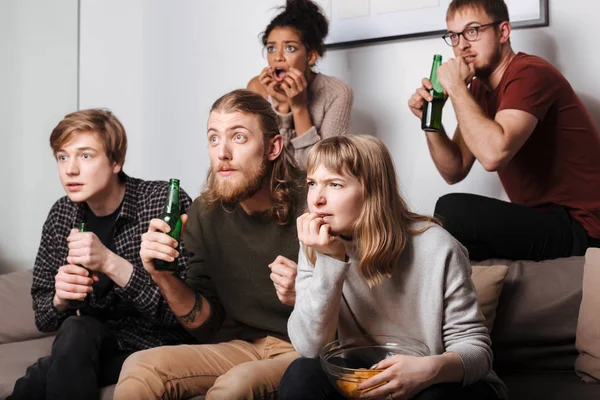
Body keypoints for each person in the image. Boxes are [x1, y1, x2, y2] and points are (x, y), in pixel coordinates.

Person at [279, 135, 508, 400]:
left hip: (439, 379)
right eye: (312, 183)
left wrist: (428, 370)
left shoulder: (437, 247)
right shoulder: (318, 242)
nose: (317, 199)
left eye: (334, 184)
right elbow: (310, 347)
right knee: (301, 375)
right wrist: (330, 260)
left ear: (373, 190)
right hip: (365, 376)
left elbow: (478, 352)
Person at [114, 90, 306, 400]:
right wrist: (162, 276)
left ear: (273, 147)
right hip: (243, 347)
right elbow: (205, 323)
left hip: (308, 349)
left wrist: (308, 289)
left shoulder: (316, 199)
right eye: (214, 139)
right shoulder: (205, 212)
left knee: (235, 387)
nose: (223, 153)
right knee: (141, 367)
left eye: (239, 138)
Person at [8, 109, 194, 400]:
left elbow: (184, 314)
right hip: (88, 343)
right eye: (62, 157)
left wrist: (109, 261)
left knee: (41, 375)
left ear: (116, 161)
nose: (70, 170)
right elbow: (43, 317)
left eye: (85, 156)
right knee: (75, 328)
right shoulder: (61, 214)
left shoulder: (161, 202)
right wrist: (60, 298)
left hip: (156, 345)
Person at [408, 0, 600, 261]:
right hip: (542, 219)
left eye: (472, 31)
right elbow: (454, 169)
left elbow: (493, 155)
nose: (462, 45)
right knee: (441, 230)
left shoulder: (530, 73)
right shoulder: (477, 90)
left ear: (503, 32)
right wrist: (431, 119)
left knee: (451, 210)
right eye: (453, 35)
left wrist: (455, 88)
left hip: (584, 228)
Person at [248, 0, 353, 167]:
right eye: (271, 48)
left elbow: (318, 167)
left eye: (290, 48)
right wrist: (282, 107)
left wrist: (298, 108)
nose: (278, 57)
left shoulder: (337, 92)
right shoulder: (258, 88)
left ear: (310, 56)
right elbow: (260, 161)